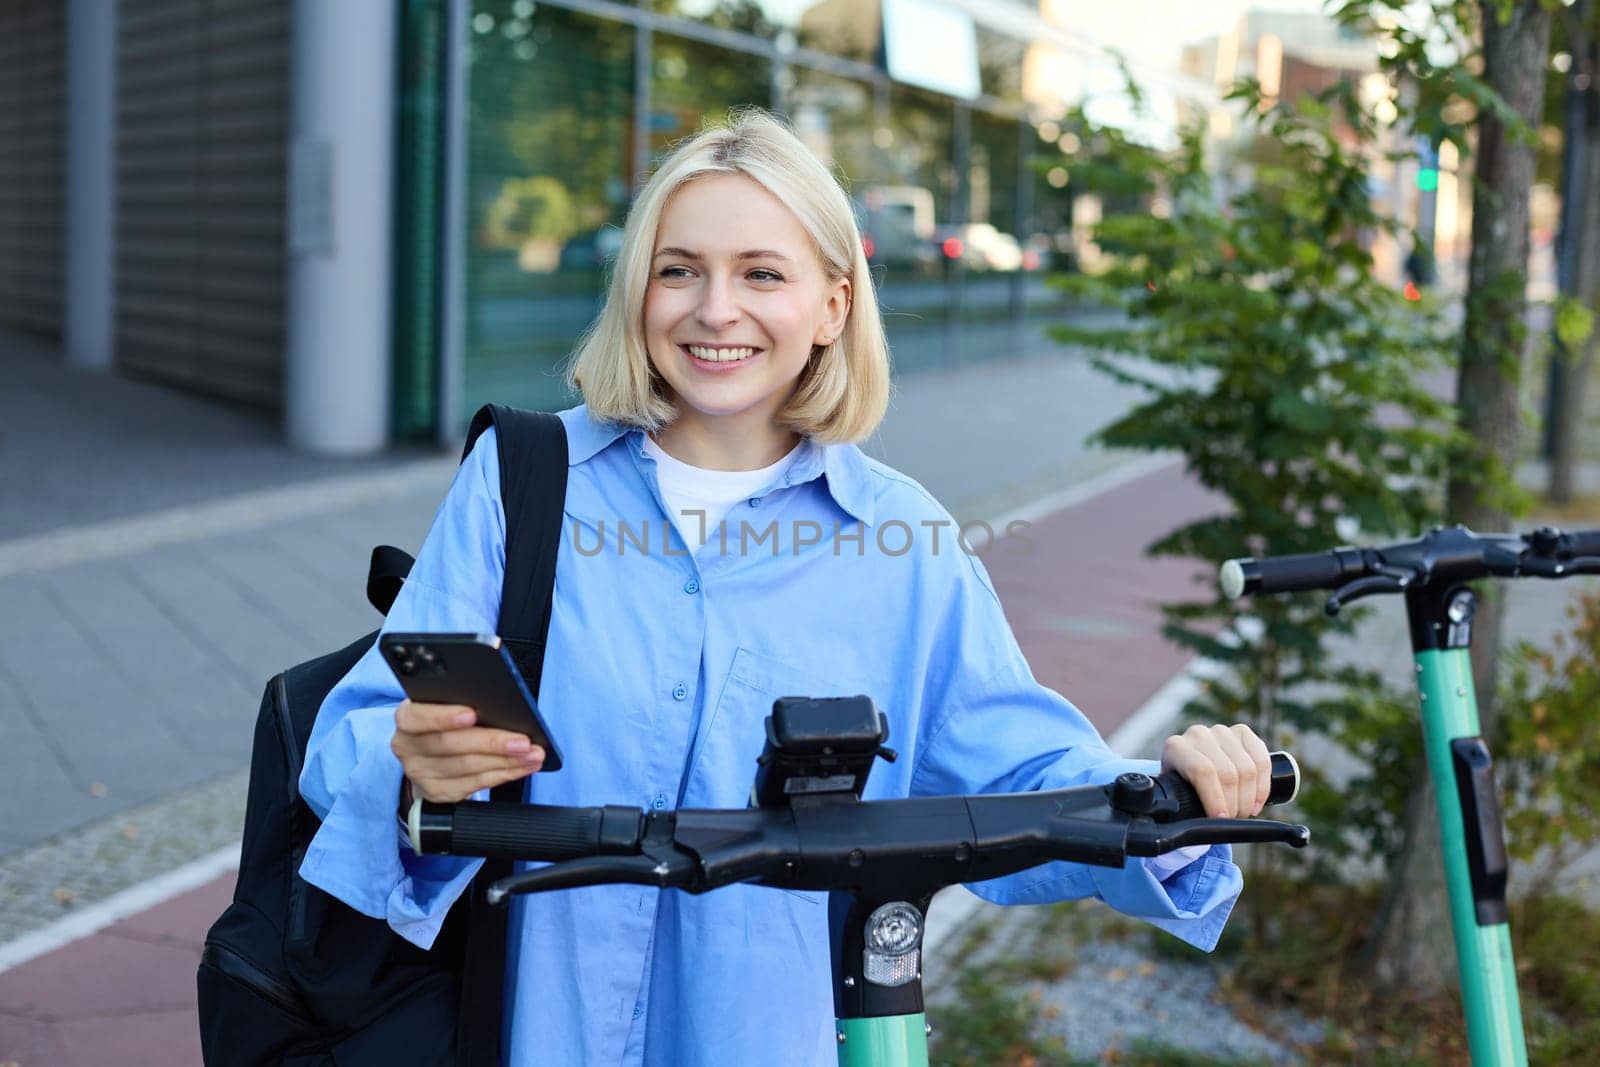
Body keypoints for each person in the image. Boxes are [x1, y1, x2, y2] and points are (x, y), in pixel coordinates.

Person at [299, 109, 1273, 1067]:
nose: (714, 308)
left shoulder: (904, 545)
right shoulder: (519, 481)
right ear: (639, 291)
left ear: (833, 306)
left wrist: (1174, 804)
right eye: (678, 270)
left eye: (761, 272)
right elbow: (353, 745)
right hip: (525, 1031)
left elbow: (1025, 780)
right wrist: (408, 768)